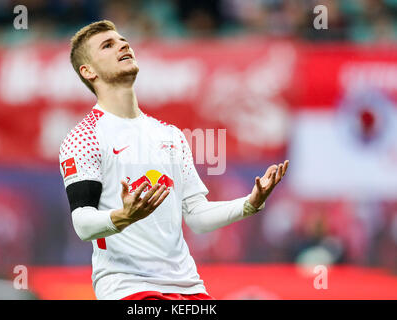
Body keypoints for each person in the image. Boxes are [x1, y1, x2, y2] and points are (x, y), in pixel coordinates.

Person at [59, 20, 289, 300]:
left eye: (122, 40)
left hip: (188, 287)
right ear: (88, 71)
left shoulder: (170, 135)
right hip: (129, 289)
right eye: (108, 45)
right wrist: (123, 216)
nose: (122, 45)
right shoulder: (84, 137)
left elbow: (196, 216)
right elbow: (82, 223)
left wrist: (249, 204)